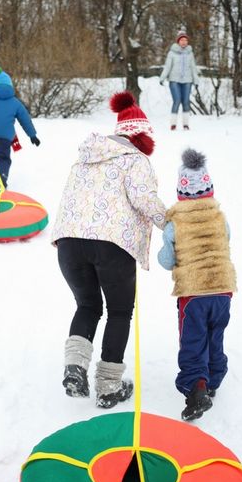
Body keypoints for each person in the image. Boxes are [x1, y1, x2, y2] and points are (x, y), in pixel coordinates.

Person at [52, 91, 166, 409]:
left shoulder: (85, 158)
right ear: (140, 136)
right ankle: (108, 386)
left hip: (69, 244)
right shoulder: (136, 161)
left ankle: (75, 368)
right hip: (111, 246)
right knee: (118, 312)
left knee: (87, 306)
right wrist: (172, 224)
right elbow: (144, 199)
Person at [158, 148, 237, 422]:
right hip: (223, 290)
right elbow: (225, 243)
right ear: (209, 189)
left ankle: (196, 389)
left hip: (193, 294)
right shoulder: (220, 218)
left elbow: (167, 261)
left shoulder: (174, 224)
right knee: (215, 336)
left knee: (193, 340)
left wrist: (163, 252)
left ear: (180, 193)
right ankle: (213, 379)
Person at [159, 30, 199, 131]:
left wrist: (196, 80)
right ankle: (173, 124)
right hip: (174, 81)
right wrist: (162, 78)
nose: (184, 42)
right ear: (178, 41)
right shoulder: (172, 53)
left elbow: (193, 67)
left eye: (185, 40)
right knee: (177, 100)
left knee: (185, 102)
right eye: (182, 40)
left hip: (187, 81)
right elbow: (168, 66)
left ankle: (185, 124)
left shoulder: (190, 53)